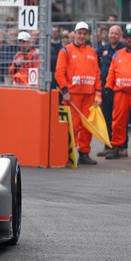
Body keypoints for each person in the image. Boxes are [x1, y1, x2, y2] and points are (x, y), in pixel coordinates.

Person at [55, 21, 102, 165]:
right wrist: (65, 90)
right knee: (72, 126)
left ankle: (84, 153)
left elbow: (97, 75)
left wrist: (98, 94)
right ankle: (67, 154)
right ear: (74, 34)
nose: (81, 36)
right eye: (79, 33)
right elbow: (59, 73)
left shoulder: (92, 52)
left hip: (89, 96)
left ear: (87, 35)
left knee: (87, 127)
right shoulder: (66, 51)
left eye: (84, 34)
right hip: (72, 96)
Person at [104, 28, 131, 159]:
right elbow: (112, 72)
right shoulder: (118, 54)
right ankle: (116, 147)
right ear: (124, 38)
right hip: (120, 93)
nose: (129, 40)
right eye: (127, 37)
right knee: (117, 122)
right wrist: (108, 87)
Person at [96, 25, 125, 157]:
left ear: (120, 35)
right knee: (106, 117)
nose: (113, 35)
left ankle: (122, 146)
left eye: (115, 33)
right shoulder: (103, 49)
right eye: (111, 33)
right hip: (104, 87)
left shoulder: (123, 49)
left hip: (118, 88)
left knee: (119, 119)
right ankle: (107, 145)